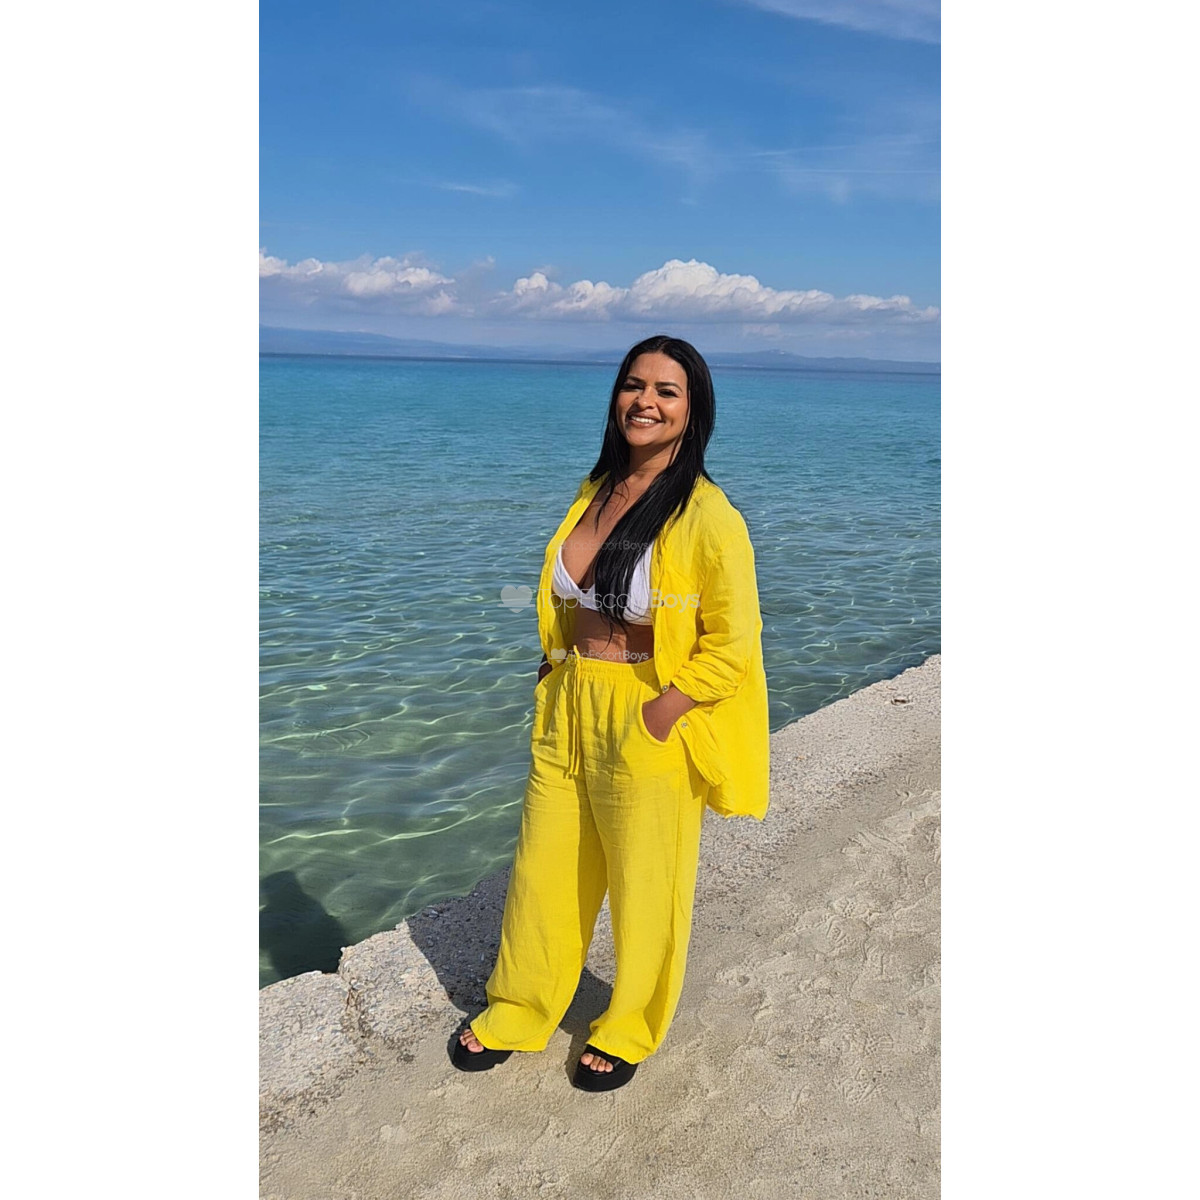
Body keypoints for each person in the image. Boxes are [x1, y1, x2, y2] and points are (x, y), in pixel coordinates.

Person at [450, 333, 770, 1091]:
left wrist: (665, 710)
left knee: (645, 884)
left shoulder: (708, 515)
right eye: (634, 385)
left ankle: (630, 1025)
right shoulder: (595, 488)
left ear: (694, 411)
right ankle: (521, 1007)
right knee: (545, 869)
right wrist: (553, 662)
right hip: (569, 702)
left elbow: (734, 640)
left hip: (644, 708)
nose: (645, 401)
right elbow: (569, 594)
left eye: (666, 390)